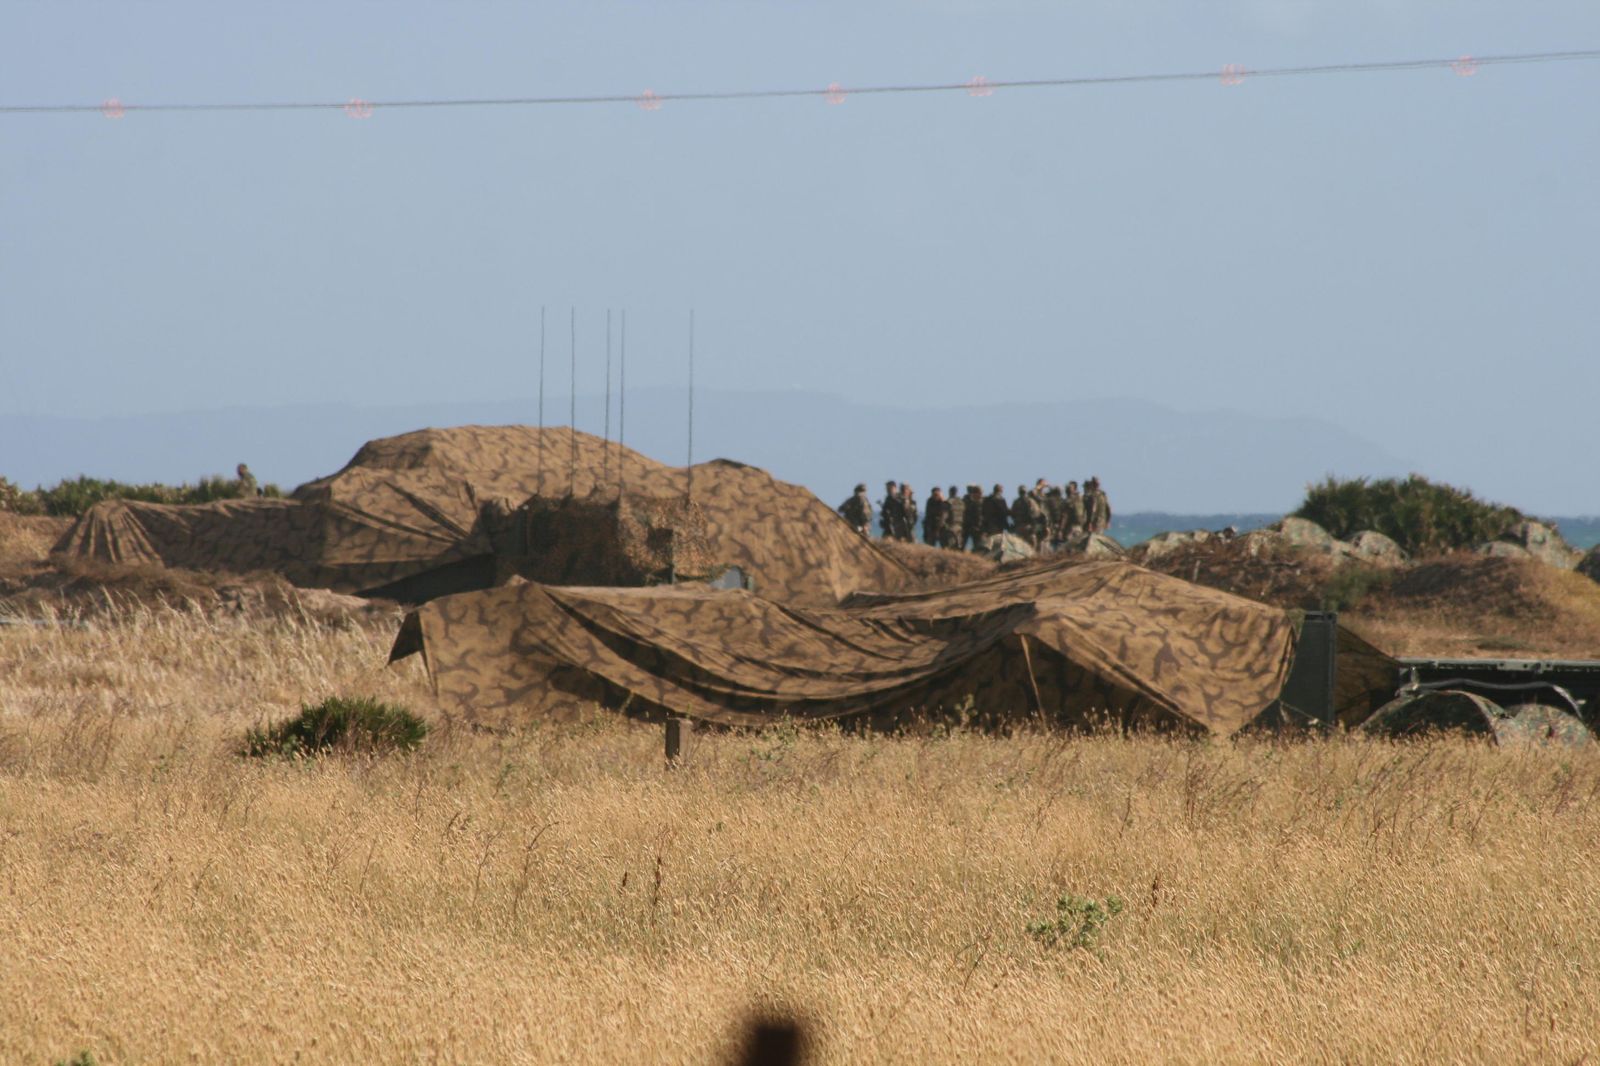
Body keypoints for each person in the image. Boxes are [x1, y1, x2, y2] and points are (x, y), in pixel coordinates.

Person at [1011, 485, 1045, 549]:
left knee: (1020, 544)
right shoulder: (1030, 501)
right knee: (1032, 543)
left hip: (1019, 526)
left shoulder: (1016, 502)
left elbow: (1012, 514)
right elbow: (1036, 514)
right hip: (1028, 526)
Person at [962, 485, 984, 551]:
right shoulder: (966, 501)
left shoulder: (982, 501)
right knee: (963, 544)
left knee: (978, 546)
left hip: (977, 527)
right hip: (968, 526)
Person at [943, 485, 965, 550]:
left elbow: (944, 515)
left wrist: (942, 525)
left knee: (951, 546)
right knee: (958, 546)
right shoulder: (961, 502)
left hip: (950, 527)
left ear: (949, 492)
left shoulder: (948, 502)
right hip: (959, 526)